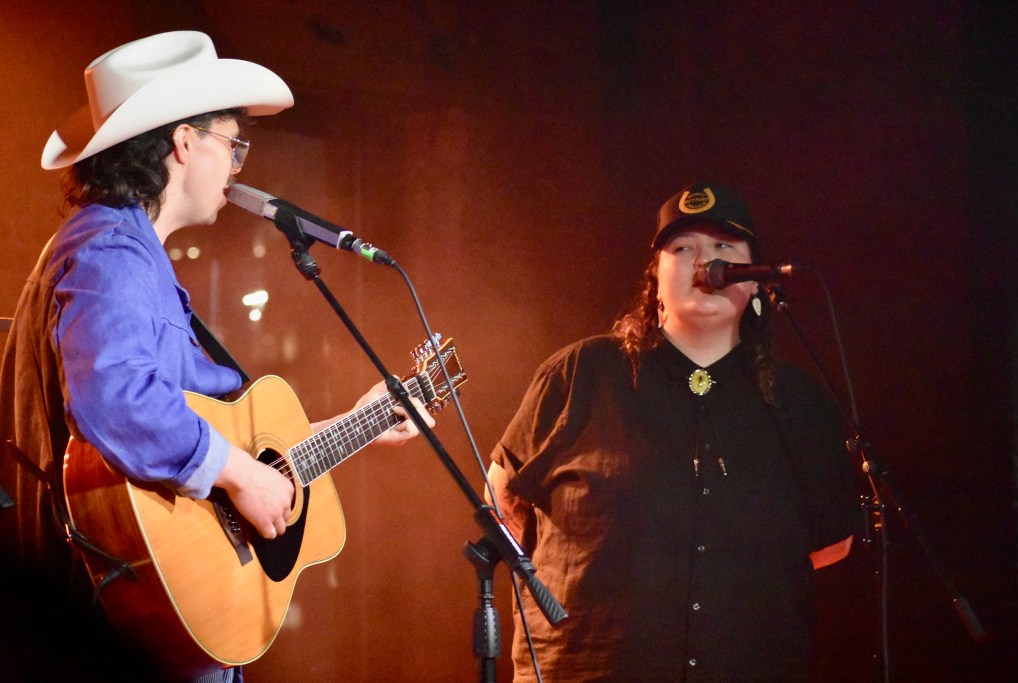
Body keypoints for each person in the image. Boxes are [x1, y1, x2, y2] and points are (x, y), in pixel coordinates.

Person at [0, 31, 432, 682]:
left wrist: (353, 423)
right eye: (233, 144)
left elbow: (205, 440)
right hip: (116, 618)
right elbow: (114, 400)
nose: (237, 166)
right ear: (183, 142)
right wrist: (239, 472)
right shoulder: (109, 253)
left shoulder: (128, 254)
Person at [487, 182, 859, 681]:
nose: (705, 262)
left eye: (725, 249)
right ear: (655, 280)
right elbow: (501, 501)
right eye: (683, 249)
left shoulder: (799, 402)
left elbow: (832, 543)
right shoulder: (582, 372)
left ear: (754, 283)